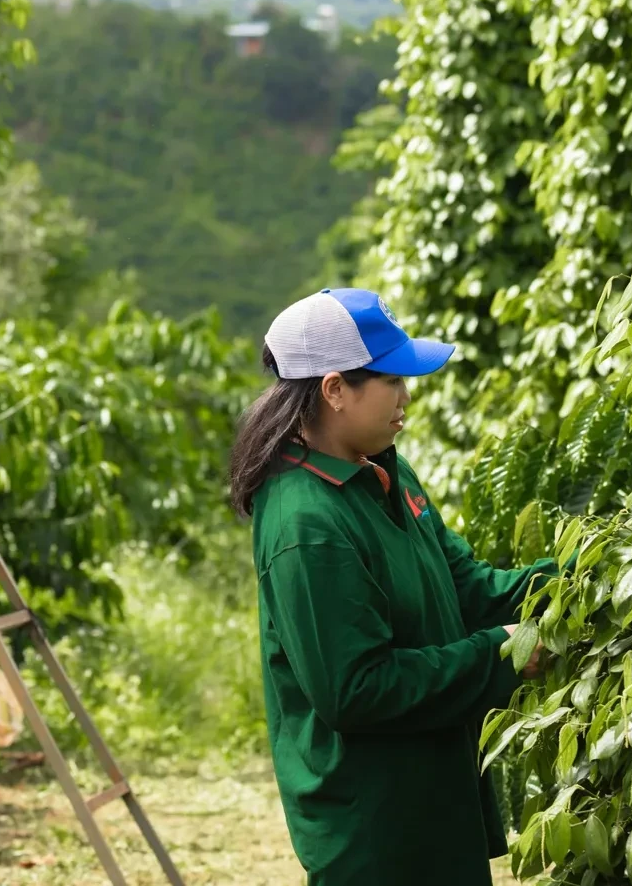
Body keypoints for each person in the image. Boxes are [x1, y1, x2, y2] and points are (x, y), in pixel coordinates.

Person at [231, 288, 556, 886]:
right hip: (377, 825)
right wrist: (500, 652)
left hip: (432, 788)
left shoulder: (383, 467)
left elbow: (464, 586)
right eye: (392, 381)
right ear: (335, 390)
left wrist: (579, 578)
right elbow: (355, 689)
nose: (406, 396)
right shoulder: (307, 525)